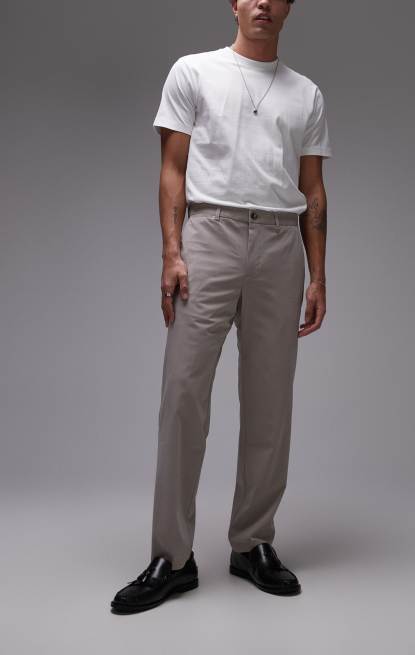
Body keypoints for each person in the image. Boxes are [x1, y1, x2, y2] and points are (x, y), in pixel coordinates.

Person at [111, 0, 331, 614]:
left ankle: (252, 543)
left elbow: (313, 190)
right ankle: (172, 557)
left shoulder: (307, 94)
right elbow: (172, 168)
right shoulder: (193, 71)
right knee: (183, 395)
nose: (263, 3)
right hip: (209, 236)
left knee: (270, 402)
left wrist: (318, 274)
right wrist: (171, 251)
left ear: (289, 7)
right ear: (234, 2)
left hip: (281, 245)